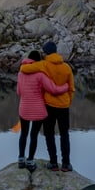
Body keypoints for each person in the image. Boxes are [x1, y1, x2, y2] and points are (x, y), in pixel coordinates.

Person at [20, 41, 75, 172]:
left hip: (49, 105)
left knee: (49, 134)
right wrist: (67, 101)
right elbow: (71, 88)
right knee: (64, 134)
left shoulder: (44, 65)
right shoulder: (67, 67)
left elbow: (24, 69)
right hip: (64, 106)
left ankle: (53, 163)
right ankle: (66, 164)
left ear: (45, 53)